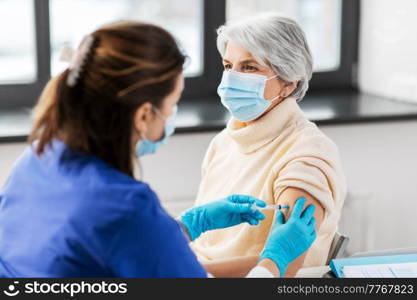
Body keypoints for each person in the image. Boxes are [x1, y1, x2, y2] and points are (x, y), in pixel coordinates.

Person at [0, 21, 316, 278]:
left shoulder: (37, 161)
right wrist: (273, 263)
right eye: (173, 103)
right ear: (143, 116)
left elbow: (108, 250)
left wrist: (186, 226)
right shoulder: (125, 207)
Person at [191, 13, 347, 277]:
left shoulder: (307, 155)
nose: (232, 78)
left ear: (288, 83)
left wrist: (182, 271)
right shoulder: (225, 141)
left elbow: (286, 266)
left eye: (250, 67)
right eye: (228, 66)